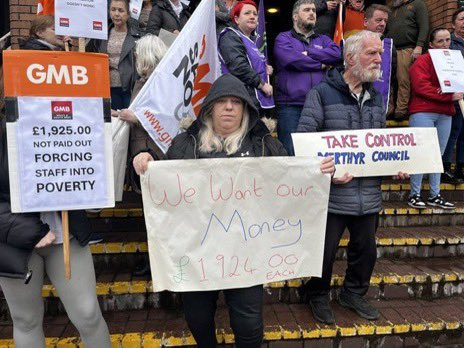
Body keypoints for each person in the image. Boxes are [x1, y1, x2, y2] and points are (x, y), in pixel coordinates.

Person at [132, 74, 335, 347]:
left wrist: (317, 173)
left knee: (249, 324)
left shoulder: (265, 145)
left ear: (246, 110)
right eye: (222, 102)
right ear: (210, 109)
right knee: (198, 317)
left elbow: (290, 180)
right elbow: (162, 182)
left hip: (245, 254)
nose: (229, 107)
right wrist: (146, 162)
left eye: (236, 102)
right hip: (197, 254)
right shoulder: (185, 144)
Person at [0, 27, 110, 348]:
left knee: (88, 314)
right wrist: (25, 231)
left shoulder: (74, 122)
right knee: (26, 319)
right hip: (13, 239)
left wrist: (95, 188)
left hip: (66, 231)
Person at [298, 30, 408, 324]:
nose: (379, 59)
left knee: (366, 251)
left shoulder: (376, 97)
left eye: (380, 54)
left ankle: (353, 294)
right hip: (333, 193)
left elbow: (379, 144)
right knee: (324, 252)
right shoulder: (321, 94)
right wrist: (328, 173)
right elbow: (306, 141)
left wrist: (394, 164)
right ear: (350, 58)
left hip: (368, 194)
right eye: (372, 53)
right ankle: (317, 294)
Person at [112, 34, 168, 277]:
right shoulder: (148, 80)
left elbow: (164, 116)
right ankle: (155, 261)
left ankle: (157, 264)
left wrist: (134, 117)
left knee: (155, 214)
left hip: (152, 152)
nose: (134, 58)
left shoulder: (158, 82)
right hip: (144, 150)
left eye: (137, 54)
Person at [273, 0, 342, 155]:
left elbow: (337, 54)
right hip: (291, 106)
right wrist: (321, 64)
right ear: (295, 17)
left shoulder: (324, 39)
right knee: (291, 155)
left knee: (320, 155)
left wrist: (309, 53)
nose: (312, 13)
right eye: (306, 10)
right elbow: (292, 60)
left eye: (313, 10)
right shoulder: (283, 38)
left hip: (320, 105)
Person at [407, 28, 462, 210]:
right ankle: (414, 194)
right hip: (424, 111)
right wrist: (448, 96)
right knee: (420, 153)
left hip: (445, 113)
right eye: (440, 41)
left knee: (437, 156)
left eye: (448, 40)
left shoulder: (454, 61)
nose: (445, 44)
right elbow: (421, 86)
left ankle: (434, 194)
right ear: (431, 44)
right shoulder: (422, 61)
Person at [218, 0, 274, 113]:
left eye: (255, 14)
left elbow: (251, 64)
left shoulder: (252, 42)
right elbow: (238, 66)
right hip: (239, 101)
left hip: (253, 102)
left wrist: (265, 68)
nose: (252, 16)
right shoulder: (229, 35)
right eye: (247, 13)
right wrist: (261, 84)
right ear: (237, 19)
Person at [88, 0, 141, 110]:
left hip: (129, 89)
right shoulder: (100, 34)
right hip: (106, 87)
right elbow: (90, 57)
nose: (116, 14)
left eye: (121, 10)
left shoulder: (138, 36)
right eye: (113, 10)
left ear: (128, 13)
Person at [386, 0, 429, 120]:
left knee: (403, 79)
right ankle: (388, 109)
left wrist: (419, 46)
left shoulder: (417, 4)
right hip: (390, 48)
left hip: (407, 48)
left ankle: (401, 110)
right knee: (388, 79)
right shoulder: (390, 8)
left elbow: (424, 26)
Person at [442, 8, 464, 184]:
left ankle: (461, 168)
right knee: (453, 132)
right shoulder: (449, 43)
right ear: (453, 23)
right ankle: (446, 167)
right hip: (455, 95)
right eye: (462, 19)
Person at [364, 4, 397, 116]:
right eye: (378, 20)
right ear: (365, 22)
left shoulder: (390, 46)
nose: (383, 24)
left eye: (385, 21)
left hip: (380, 108)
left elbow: (391, 77)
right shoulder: (351, 43)